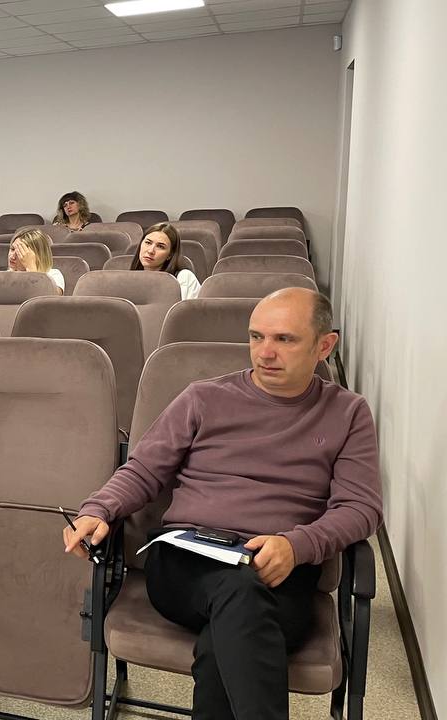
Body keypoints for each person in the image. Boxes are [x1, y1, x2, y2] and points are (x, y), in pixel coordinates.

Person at [62, 288, 382, 720]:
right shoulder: (204, 398)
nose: (265, 352)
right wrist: (98, 510)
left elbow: (360, 508)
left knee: (224, 641)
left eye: (284, 339)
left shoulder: (348, 413)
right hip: (187, 558)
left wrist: (297, 546)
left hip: (281, 568)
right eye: (256, 337)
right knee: (240, 592)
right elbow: (143, 470)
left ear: (325, 345)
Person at [131, 222, 202, 300]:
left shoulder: (184, 278)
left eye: (160, 246)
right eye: (148, 243)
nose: (150, 251)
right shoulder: (128, 278)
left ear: (170, 255)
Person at [8, 227, 66, 294]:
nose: (12, 257)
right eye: (12, 249)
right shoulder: (4, 277)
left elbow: (53, 296)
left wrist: (30, 267)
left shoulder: (53, 274)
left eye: (20, 252)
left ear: (37, 255)